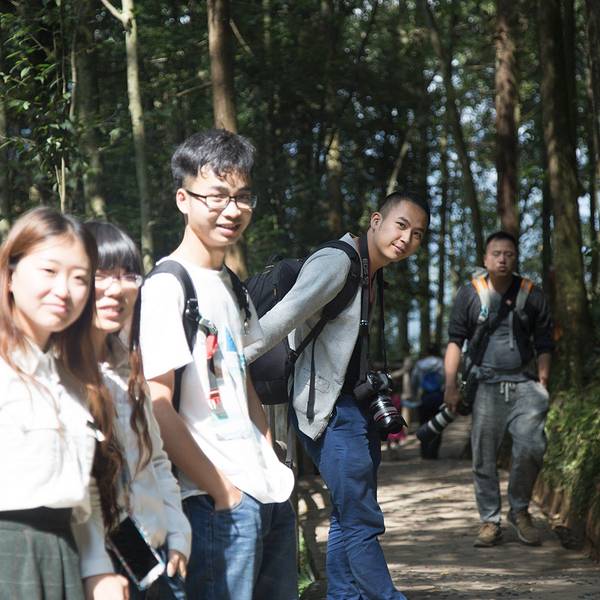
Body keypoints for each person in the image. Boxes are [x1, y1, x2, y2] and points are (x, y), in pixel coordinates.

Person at [246, 191, 429, 600]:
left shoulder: (370, 271)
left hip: (353, 407)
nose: (406, 238)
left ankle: (343, 596)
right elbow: (280, 319)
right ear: (377, 220)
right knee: (362, 518)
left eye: (417, 234)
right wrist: (227, 360)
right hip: (329, 411)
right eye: (401, 225)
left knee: (349, 514)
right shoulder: (337, 262)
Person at [138, 129, 296, 600]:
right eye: (218, 196)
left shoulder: (230, 283)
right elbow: (157, 402)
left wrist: (269, 457)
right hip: (212, 501)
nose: (232, 209)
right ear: (183, 199)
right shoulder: (167, 286)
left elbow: (239, 379)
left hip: (267, 490)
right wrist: (224, 492)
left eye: (243, 197)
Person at [0, 207, 127, 600]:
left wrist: (98, 571)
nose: (64, 290)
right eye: (49, 271)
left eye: (80, 278)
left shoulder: (74, 382)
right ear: (10, 274)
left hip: (62, 556)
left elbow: (82, 492)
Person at [73, 221, 191, 599]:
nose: (117, 288)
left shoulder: (129, 371)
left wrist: (178, 532)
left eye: (128, 275)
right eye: (102, 275)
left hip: (153, 558)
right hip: (94, 569)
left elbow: (156, 459)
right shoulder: (59, 377)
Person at [444, 231, 554, 548]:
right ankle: (490, 521)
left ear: (516, 257)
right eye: (496, 254)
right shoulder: (470, 293)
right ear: (485, 258)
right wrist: (450, 386)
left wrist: (543, 380)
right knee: (483, 455)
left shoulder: (531, 293)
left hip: (525, 384)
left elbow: (545, 342)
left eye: (509, 254)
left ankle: (520, 511)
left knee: (532, 447)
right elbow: (455, 341)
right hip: (485, 384)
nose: (502, 259)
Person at [411, 344, 445, 459]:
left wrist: (414, 394)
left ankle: (424, 452)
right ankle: (434, 453)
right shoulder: (441, 363)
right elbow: (445, 379)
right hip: (438, 397)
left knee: (423, 424)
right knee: (438, 424)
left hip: (424, 397)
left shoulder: (419, 364)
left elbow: (414, 381)